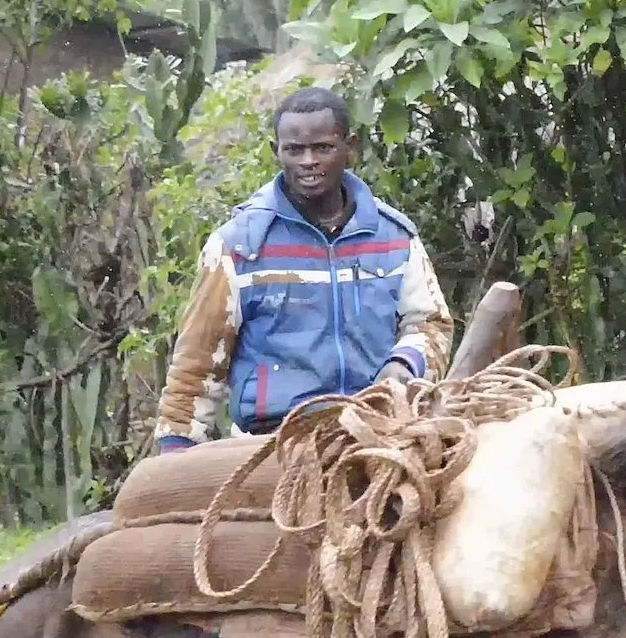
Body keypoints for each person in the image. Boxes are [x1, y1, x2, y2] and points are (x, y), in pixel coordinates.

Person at [155, 86, 453, 452]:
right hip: (271, 443)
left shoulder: (393, 237)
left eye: (323, 148)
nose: (308, 161)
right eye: (294, 150)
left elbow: (431, 323)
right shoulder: (239, 246)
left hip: (379, 433)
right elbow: (198, 364)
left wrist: (404, 366)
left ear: (351, 148)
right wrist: (174, 452)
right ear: (276, 152)